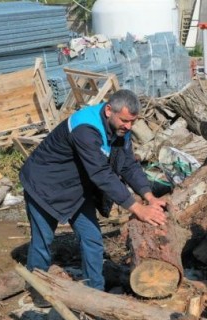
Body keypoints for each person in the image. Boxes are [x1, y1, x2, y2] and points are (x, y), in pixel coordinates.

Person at [20, 89, 167, 293]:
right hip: (45, 185)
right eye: (125, 120)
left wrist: (149, 197)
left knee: (92, 240)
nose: (129, 126)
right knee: (43, 241)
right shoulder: (85, 129)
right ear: (109, 110)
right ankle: (36, 290)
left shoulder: (120, 130)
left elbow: (128, 166)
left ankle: (95, 293)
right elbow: (101, 173)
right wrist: (137, 209)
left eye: (133, 122)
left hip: (77, 188)